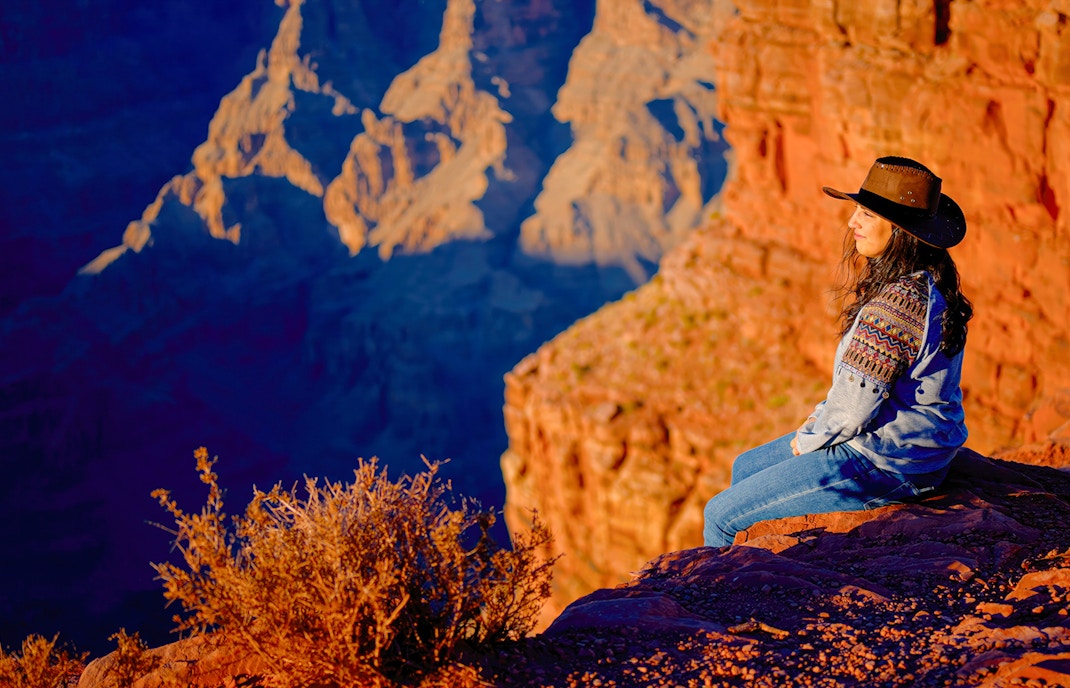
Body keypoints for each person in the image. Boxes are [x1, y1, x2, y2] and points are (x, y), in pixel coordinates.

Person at [702, 156, 973, 548]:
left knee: (721, 516)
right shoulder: (925, 281)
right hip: (906, 445)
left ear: (899, 231)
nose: (852, 223)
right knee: (746, 466)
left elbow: (852, 410)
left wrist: (808, 441)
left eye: (866, 215)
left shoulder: (896, 305)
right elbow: (859, 393)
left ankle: (723, 601)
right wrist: (815, 426)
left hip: (888, 461)